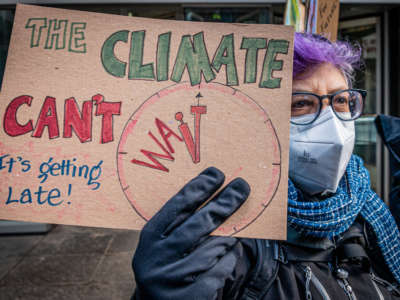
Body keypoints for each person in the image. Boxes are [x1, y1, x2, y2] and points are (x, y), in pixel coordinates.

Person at [132, 33, 400, 299]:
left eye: (340, 100)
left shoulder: (369, 214)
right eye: (302, 103)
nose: (331, 123)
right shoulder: (231, 236)